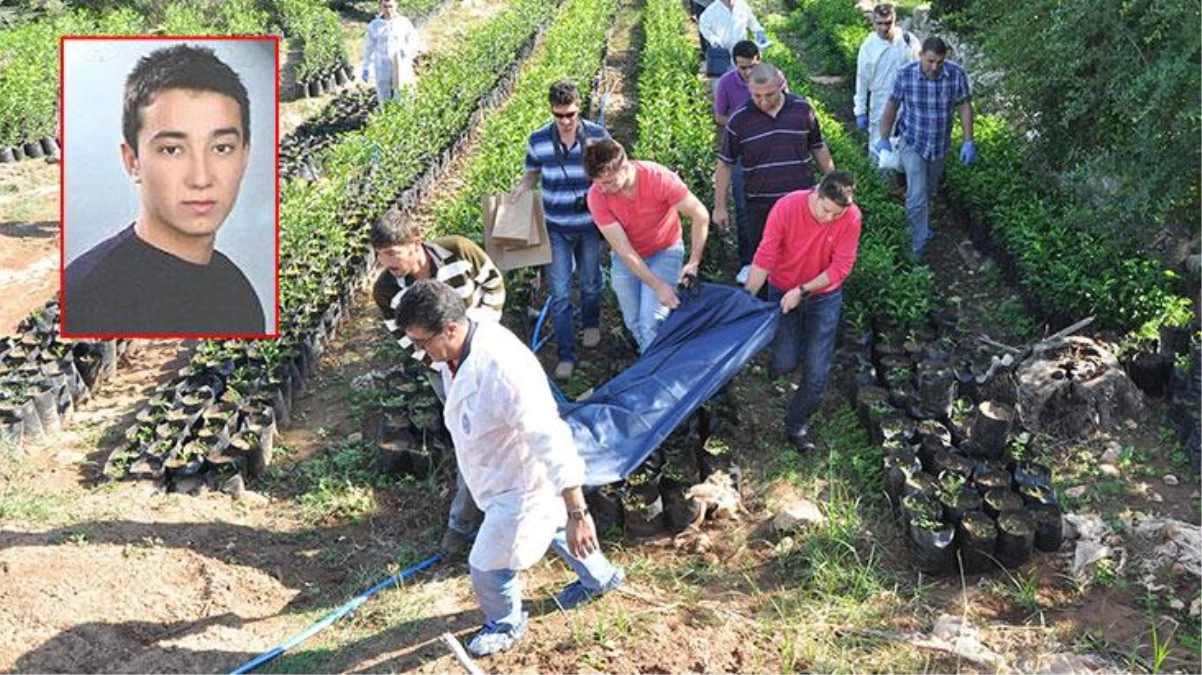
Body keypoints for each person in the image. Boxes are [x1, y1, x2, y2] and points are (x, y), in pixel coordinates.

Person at [394, 279, 625, 657]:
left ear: (451, 328)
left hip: (520, 484)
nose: (421, 352)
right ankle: (600, 577)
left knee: (486, 564)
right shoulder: (460, 346)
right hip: (501, 472)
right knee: (552, 525)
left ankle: (506, 620)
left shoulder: (501, 368)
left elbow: (550, 435)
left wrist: (578, 510)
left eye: (423, 342)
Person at [64, 43, 265, 336]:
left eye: (221, 148)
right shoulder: (86, 300)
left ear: (244, 156)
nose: (201, 178)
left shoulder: (236, 292)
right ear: (132, 161)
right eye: (171, 150)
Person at [370, 212, 504, 557]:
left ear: (415, 243)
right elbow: (404, 338)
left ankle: (494, 508)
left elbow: (493, 283)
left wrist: (479, 331)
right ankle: (462, 523)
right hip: (443, 368)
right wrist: (446, 363)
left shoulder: (458, 251)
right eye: (380, 254)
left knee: (501, 432)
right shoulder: (386, 289)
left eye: (392, 253)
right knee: (469, 439)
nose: (386, 262)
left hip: (486, 352)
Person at [743, 171, 861, 453]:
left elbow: (840, 269)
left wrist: (803, 291)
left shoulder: (850, 216)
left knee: (817, 369)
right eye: (826, 211)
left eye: (837, 214)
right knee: (785, 360)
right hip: (782, 288)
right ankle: (776, 369)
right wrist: (745, 302)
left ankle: (796, 425)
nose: (830, 219)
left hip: (823, 295)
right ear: (816, 194)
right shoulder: (787, 207)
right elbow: (765, 257)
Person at [517, 80, 611, 381]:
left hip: (589, 225)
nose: (566, 121)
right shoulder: (539, 140)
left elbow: (611, 175)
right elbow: (531, 175)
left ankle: (591, 322)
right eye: (559, 115)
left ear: (579, 107)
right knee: (559, 293)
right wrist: (517, 195)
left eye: (570, 114)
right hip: (555, 226)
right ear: (551, 112)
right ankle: (566, 354)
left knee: (591, 282)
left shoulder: (597, 136)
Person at [584, 138, 710, 353]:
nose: (604, 189)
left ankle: (659, 377)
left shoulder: (659, 179)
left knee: (651, 321)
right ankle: (654, 361)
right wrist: (656, 284)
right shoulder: (597, 196)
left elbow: (700, 215)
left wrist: (693, 262)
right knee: (633, 321)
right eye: (599, 183)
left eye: (610, 182)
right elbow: (624, 250)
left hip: (665, 249)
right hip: (628, 258)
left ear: (625, 166)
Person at [714, 63, 835, 285]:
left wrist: (833, 180)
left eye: (769, 94)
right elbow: (725, 164)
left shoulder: (802, 110)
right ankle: (768, 309)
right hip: (760, 206)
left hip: (801, 203)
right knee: (765, 261)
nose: (762, 101)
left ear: (781, 86)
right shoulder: (740, 119)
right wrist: (720, 206)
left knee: (801, 258)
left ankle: (798, 302)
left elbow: (818, 146)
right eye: (756, 95)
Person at [875, 36, 975, 261]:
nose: (934, 67)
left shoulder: (955, 74)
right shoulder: (905, 75)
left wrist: (969, 140)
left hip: (939, 144)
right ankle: (915, 245)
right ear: (920, 55)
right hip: (913, 142)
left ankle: (921, 224)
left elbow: (964, 105)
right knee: (917, 194)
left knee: (930, 190)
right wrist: (884, 136)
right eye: (930, 61)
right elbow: (892, 105)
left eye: (939, 62)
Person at [712, 41, 789, 285]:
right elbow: (719, 115)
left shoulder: (774, 78)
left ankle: (779, 259)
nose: (746, 73)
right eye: (742, 68)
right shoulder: (726, 83)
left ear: (760, 59)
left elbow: (784, 106)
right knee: (746, 207)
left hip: (772, 149)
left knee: (778, 205)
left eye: (751, 66)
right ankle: (749, 260)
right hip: (742, 151)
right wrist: (744, 124)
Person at [854, 4, 919, 159]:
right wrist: (860, 110)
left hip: (908, 102)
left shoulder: (908, 40)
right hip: (881, 101)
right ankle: (879, 182)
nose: (884, 28)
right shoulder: (869, 47)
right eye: (880, 23)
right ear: (873, 23)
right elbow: (862, 80)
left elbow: (920, 68)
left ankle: (903, 180)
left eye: (888, 23)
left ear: (894, 21)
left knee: (907, 146)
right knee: (879, 147)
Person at [361, 0, 426, 103]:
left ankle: (402, 114)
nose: (388, 10)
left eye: (390, 6)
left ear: (396, 6)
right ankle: (385, 114)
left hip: (401, 62)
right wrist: (366, 66)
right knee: (383, 91)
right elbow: (368, 47)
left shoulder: (403, 22)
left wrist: (407, 50)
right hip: (382, 64)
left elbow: (414, 39)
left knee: (402, 90)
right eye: (385, 7)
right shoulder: (375, 25)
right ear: (380, 7)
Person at [699, 0, 768, 62]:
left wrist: (758, 31)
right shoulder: (712, 10)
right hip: (724, 54)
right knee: (728, 75)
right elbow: (703, 27)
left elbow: (751, 20)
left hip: (743, 53)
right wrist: (714, 40)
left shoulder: (742, 5)